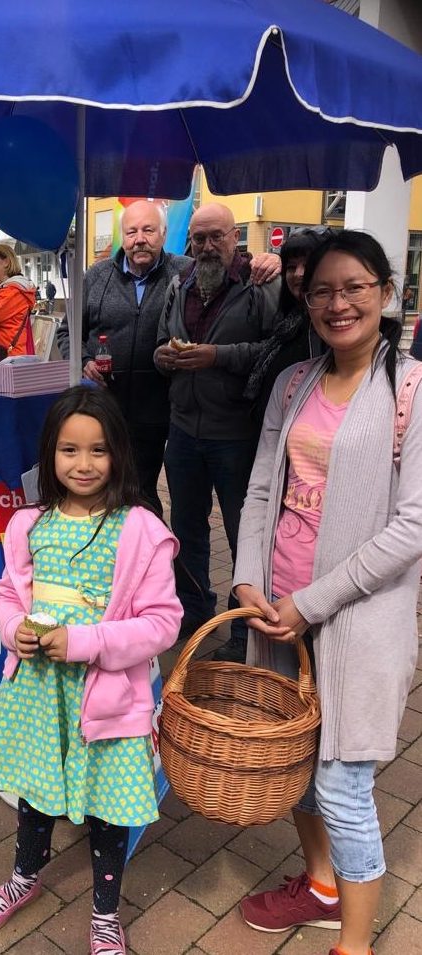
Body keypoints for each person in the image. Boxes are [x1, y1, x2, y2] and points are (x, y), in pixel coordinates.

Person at [233, 230, 422, 955]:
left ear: (386, 292)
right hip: (275, 607)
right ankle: (320, 884)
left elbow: (410, 528)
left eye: (354, 287)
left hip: (357, 619)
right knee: (295, 768)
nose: (337, 303)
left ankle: (356, 944)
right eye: (320, 291)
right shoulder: (294, 382)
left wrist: (310, 603)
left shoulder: (409, 388)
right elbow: (260, 488)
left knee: (343, 784)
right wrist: (249, 578)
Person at [0, 385, 182, 955]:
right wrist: (14, 630)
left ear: (119, 453)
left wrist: (85, 641)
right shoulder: (27, 524)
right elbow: (7, 595)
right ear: (49, 454)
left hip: (109, 698)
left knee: (110, 809)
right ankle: (23, 878)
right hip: (38, 693)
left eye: (98, 450)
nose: (83, 464)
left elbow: (162, 623)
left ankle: (106, 914)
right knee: (36, 794)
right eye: (69, 450)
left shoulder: (139, 530)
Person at [58, 199, 280, 517]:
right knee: (104, 486)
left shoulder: (184, 272)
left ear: (164, 234)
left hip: (163, 410)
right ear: (123, 237)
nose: (140, 238)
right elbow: (68, 333)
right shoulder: (95, 276)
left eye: (148, 230)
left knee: (144, 491)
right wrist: (83, 361)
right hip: (105, 405)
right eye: (131, 231)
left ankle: (149, 556)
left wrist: (272, 260)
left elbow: (233, 265)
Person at [154, 202, 280, 658]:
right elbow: (159, 341)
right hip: (183, 430)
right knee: (186, 528)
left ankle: (244, 632)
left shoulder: (259, 285)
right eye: (199, 238)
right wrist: (161, 357)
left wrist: (217, 356)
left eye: (217, 237)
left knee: (242, 532)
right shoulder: (179, 283)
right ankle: (195, 613)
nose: (207, 246)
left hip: (236, 434)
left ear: (235, 238)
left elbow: (273, 351)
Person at [245, 227, 332, 431]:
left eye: (308, 264)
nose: (299, 274)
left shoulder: (330, 327)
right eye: (291, 267)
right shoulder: (290, 320)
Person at [0, 243, 36, 357]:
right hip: (2, 354)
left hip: (11, 356)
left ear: (6, 262)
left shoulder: (15, 290)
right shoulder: (3, 288)